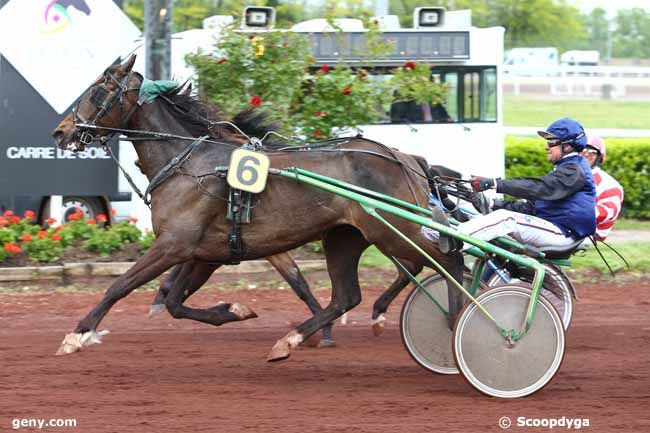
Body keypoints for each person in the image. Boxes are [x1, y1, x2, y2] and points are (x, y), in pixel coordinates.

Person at [454, 117, 596, 250]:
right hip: (553, 227)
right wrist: (492, 204)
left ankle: (454, 240)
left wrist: (494, 184)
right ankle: (441, 236)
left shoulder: (573, 170)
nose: (547, 147)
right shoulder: (565, 168)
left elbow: (538, 187)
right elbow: (532, 207)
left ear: (568, 147)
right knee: (493, 224)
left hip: (564, 233)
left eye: (551, 142)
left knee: (506, 219)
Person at [582, 136, 624, 241]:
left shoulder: (610, 184)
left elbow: (605, 214)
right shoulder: (565, 173)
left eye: (592, 152)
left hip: (587, 233)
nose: (586, 154)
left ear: (599, 158)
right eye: (582, 150)